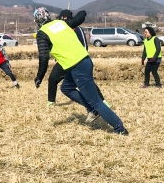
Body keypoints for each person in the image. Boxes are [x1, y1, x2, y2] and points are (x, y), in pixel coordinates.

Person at [34, 7, 128, 135]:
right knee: (66, 88)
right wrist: (83, 11)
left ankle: (119, 128)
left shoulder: (42, 33)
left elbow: (43, 57)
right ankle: (92, 109)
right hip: (84, 61)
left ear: (37, 21)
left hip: (76, 66)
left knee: (96, 101)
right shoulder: (61, 23)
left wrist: (39, 76)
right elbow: (79, 18)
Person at [47, 9, 107, 107]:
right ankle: (51, 101)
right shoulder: (60, 30)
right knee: (53, 78)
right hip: (64, 61)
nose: (63, 21)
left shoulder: (77, 29)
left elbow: (84, 45)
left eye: (65, 19)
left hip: (77, 60)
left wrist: (81, 59)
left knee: (86, 81)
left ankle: (102, 101)